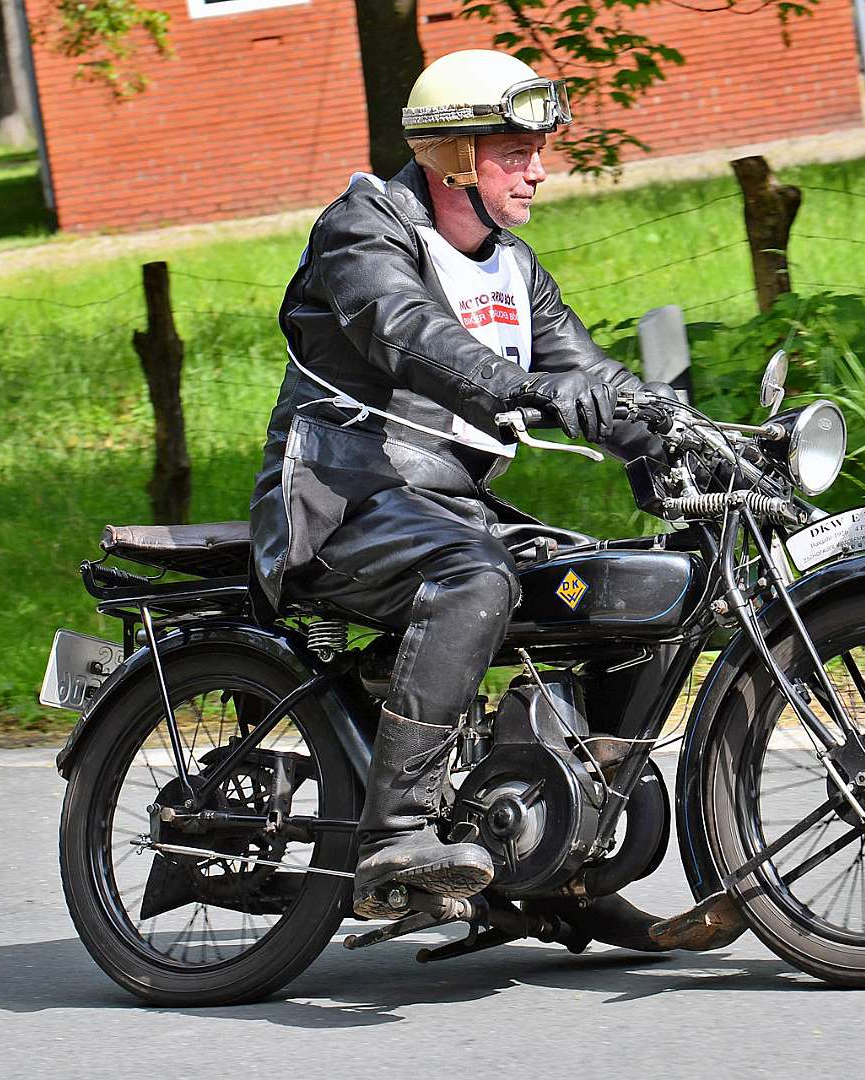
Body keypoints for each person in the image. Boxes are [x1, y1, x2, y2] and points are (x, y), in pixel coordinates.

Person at [249, 49, 671, 919]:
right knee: (474, 578)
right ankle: (396, 836)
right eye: (514, 152)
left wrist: (687, 436)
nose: (538, 170)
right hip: (341, 498)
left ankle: (567, 860)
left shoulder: (513, 268)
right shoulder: (363, 230)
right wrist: (524, 389)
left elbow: (592, 377)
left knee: (640, 589)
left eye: (537, 150)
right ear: (453, 160)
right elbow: (406, 332)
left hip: (447, 506)